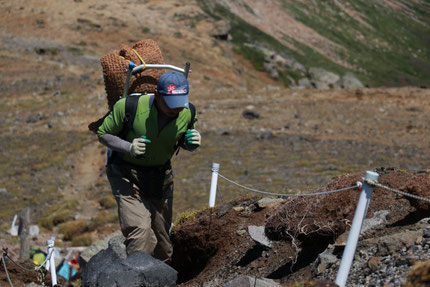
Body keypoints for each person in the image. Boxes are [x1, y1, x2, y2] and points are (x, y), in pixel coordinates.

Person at [97, 71, 201, 263]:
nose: (175, 109)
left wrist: (191, 143)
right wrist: (129, 147)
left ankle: (162, 278)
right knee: (140, 231)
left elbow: (183, 140)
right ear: (157, 94)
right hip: (126, 175)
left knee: (164, 242)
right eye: (170, 103)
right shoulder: (129, 106)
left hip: (161, 177)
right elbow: (103, 133)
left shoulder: (187, 112)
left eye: (179, 103)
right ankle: (137, 278)